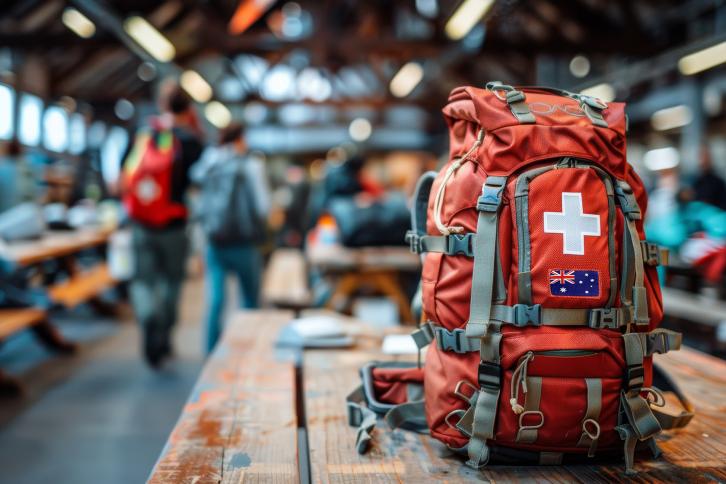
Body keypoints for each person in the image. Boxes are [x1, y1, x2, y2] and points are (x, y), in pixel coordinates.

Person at [122, 85, 203, 367]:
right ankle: (165, 333)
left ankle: (147, 317)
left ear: (161, 104)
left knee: (143, 281)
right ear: (188, 108)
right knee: (172, 282)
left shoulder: (144, 134)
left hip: (141, 224)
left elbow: (123, 174)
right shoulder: (191, 141)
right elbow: (199, 185)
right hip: (175, 224)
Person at [191, 123, 269, 353]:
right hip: (244, 241)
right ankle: (249, 350)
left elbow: (195, 183)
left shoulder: (210, 160)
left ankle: (210, 352)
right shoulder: (251, 165)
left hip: (215, 240)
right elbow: (263, 206)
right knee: (250, 301)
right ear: (241, 138)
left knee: (215, 301)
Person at [692, 145, 726, 210]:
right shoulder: (695, 181)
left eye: (706, 157)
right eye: (701, 157)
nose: (703, 161)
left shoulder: (718, 182)